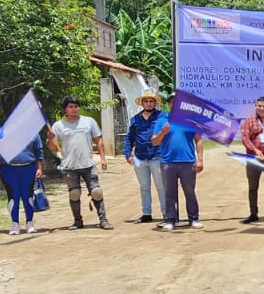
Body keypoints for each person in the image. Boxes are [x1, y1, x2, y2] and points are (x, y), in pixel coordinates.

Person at [48, 96, 113, 230]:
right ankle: (77, 221)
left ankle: (103, 219)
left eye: (76, 106)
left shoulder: (89, 122)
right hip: (70, 166)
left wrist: (102, 158)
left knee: (96, 192)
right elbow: (52, 147)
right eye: (70, 107)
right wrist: (50, 139)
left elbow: (98, 139)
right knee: (74, 193)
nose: (74, 109)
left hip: (88, 164)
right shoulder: (58, 126)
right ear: (65, 109)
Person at [151, 113, 204, 231]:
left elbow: (199, 140)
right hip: (168, 162)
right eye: (172, 102)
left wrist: (200, 160)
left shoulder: (192, 120)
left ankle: (194, 219)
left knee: (190, 192)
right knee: (169, 193)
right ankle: (170, 220)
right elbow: (154, 142)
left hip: (188, 162)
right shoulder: (162, 121)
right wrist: (163, 133)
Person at [122, 89, 166, 223]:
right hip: (140, 157)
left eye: (151, 101)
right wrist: (128, 154)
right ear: (142, 103)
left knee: (161, 186)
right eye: (146, 101)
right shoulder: (135, 119)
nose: (148, 104)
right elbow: (130, 137)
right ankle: (146, 213)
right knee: (144, 187)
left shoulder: (162, 117)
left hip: (157, 155)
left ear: (155, 103)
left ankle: (166, 213)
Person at [0, 126, 45, 236]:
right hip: (8, 169)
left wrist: (39, 168)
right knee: (13, 195)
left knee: (27, 195)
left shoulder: (33, 132)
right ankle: (15, 224)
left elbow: (39, 151)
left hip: (28, 168)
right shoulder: (2, 132)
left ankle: (29, 223)